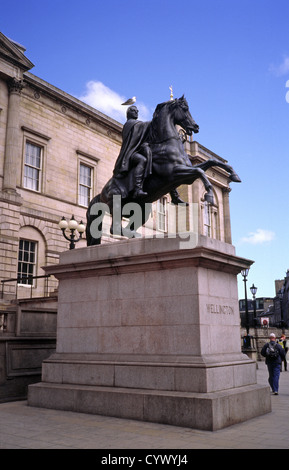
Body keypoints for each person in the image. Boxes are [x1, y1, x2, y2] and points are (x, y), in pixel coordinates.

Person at [113, 105, 152, 199]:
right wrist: (155, 121)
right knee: (142, 160)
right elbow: (142, 127)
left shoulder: (136, 124)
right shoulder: (130, 124)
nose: (136, 112)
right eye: (134, 110)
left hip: (135, 150)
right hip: (129, 154)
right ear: (129, 113)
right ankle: (137, 189)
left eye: (137, 111)